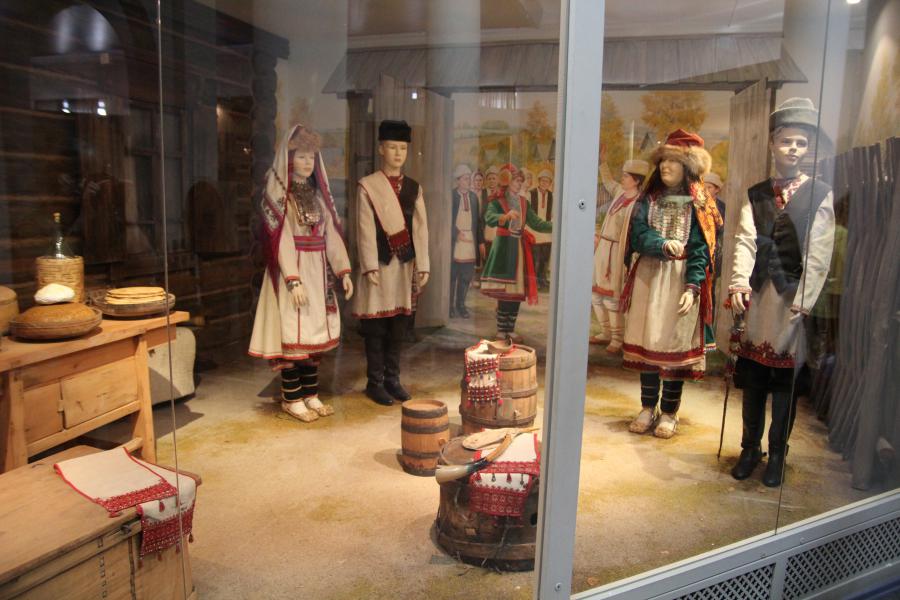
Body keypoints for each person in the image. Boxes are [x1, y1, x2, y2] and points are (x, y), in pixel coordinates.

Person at [728, 98, 835, 486]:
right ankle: (749, 448)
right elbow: (745, 239)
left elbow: (819, 252)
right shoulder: (757, 193)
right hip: (759, 297)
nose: (793, 149)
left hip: (791, 301)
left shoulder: (819, 193)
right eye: (786, 141)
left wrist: (805, 300)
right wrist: (739, 281)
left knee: (784, 381)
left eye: (800, 143)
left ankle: (777, 454)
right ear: (773, 144)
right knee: (755, 377)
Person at [620, 129, 721, 439]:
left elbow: (702, 249)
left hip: (679, 280)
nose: (665, 166)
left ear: (688, 166)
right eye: (663, 160)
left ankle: (669, 412)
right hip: (649, 277)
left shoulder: (700, 203)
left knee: (674, 348)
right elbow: (638, 234)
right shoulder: (648, 199)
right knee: (649, 344)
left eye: (673, 161)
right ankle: (647, 407)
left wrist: (693, 287)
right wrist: (661, 244)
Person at [249, 124, 353, 423]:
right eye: (302, 156)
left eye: (311, 157)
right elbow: (281, 239)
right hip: (292, 270)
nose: (308, 162)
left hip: (317, 272)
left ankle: (310, 394)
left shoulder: (318, 197)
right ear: (290, 158)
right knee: (292, 337)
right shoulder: (281, 197)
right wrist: (292, 280)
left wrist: (343, 270)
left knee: (312, 335)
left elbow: (330, 236)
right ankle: (292, 398)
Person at [352, 120, 430, 406]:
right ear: (381, 149)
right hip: (378, 265)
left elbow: (420, 228)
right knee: (376, 327)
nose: (398, 153)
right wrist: (369, 265)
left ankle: (392, 380)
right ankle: (374, 383)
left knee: (398, 325)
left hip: (404, 266)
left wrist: (423, 265)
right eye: (392, 147)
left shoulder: (414, 188)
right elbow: (364, 228)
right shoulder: (368, 186)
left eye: (403, 148)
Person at [480, 164, 552, 342]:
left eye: (521, 181)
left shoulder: (524, 202)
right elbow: (489, 218)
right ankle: (501, 330)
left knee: (517, 291)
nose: (519, 184)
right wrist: (504, 217)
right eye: (516, 181)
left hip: (520, 249)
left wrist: (556, 224)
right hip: (503, 248)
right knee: (505, 291)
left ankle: (510, 329)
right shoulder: (497, 201)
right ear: (507, 182)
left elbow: (536, 223)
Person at [590, 159, 649, 352]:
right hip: (603, 248)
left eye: (626, 176)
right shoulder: (619, 193)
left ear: (636, 180)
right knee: (595, 294)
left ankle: (617, 338)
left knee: (611, 297)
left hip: (618, 252)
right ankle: (605, 332)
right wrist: (602, 161)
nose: (622, 179)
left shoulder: (639, 203)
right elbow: (608, 181)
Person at [450, 164, 482, 318]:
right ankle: (449, 306)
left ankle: (461, 305)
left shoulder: (474, 197)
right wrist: (455, 233)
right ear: (458, 180)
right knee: (453, 275)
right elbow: (446, 219)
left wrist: (480, 242)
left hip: (470, 241)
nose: (468, 181)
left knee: (466, 276)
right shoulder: (452, 196)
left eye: (469, 178)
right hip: (455, 241)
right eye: (465, 179)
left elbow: (478, 222)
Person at [529, 169, 554, 289]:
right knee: (536, 258)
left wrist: (551, 224)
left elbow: (553, 213)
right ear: (538, 181)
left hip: (546, 230)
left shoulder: (551, 195)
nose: (544, 183)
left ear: (550, 183)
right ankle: (534, 281)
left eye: (547, 181)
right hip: (534, 229)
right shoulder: (531, 193)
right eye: (542, 181)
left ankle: (542, 279)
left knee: (545, 257)